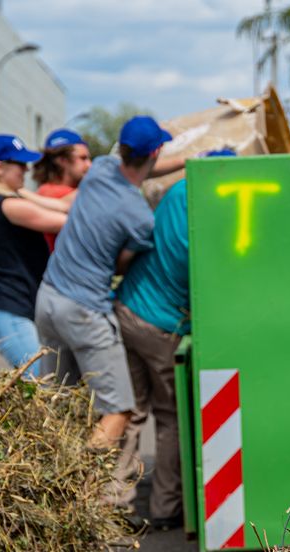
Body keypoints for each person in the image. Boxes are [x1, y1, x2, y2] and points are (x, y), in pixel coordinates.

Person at [35, 116, 177, 513]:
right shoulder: (140, 218)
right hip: (84, 311)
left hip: (47, 299)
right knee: (118, 410)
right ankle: (72, 494)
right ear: (155, 152)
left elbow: (145, 164)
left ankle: (40, 483)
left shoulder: (98, 169)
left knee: (64, 404)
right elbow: (120, 265)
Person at [114, 149, 236, 530]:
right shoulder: (211, 202)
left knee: (130, 413)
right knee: (169, 417)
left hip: (128, 308)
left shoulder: (176, 191)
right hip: (162, 324)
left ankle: (115, 503)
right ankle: (166, 507)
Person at [0, 134, 72, 377]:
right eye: (19, 164)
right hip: (11, 315)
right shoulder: (6, 205)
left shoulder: (9, 200)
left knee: (46, 385)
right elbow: (65, 220)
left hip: (20, 311)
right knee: (42, 384)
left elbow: (64, 205)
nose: (26, 169)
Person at [33, 129, 93, 252]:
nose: (89, 165)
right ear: (62, 160)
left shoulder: (70, 191)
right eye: (83, 158)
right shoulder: (49, 193)